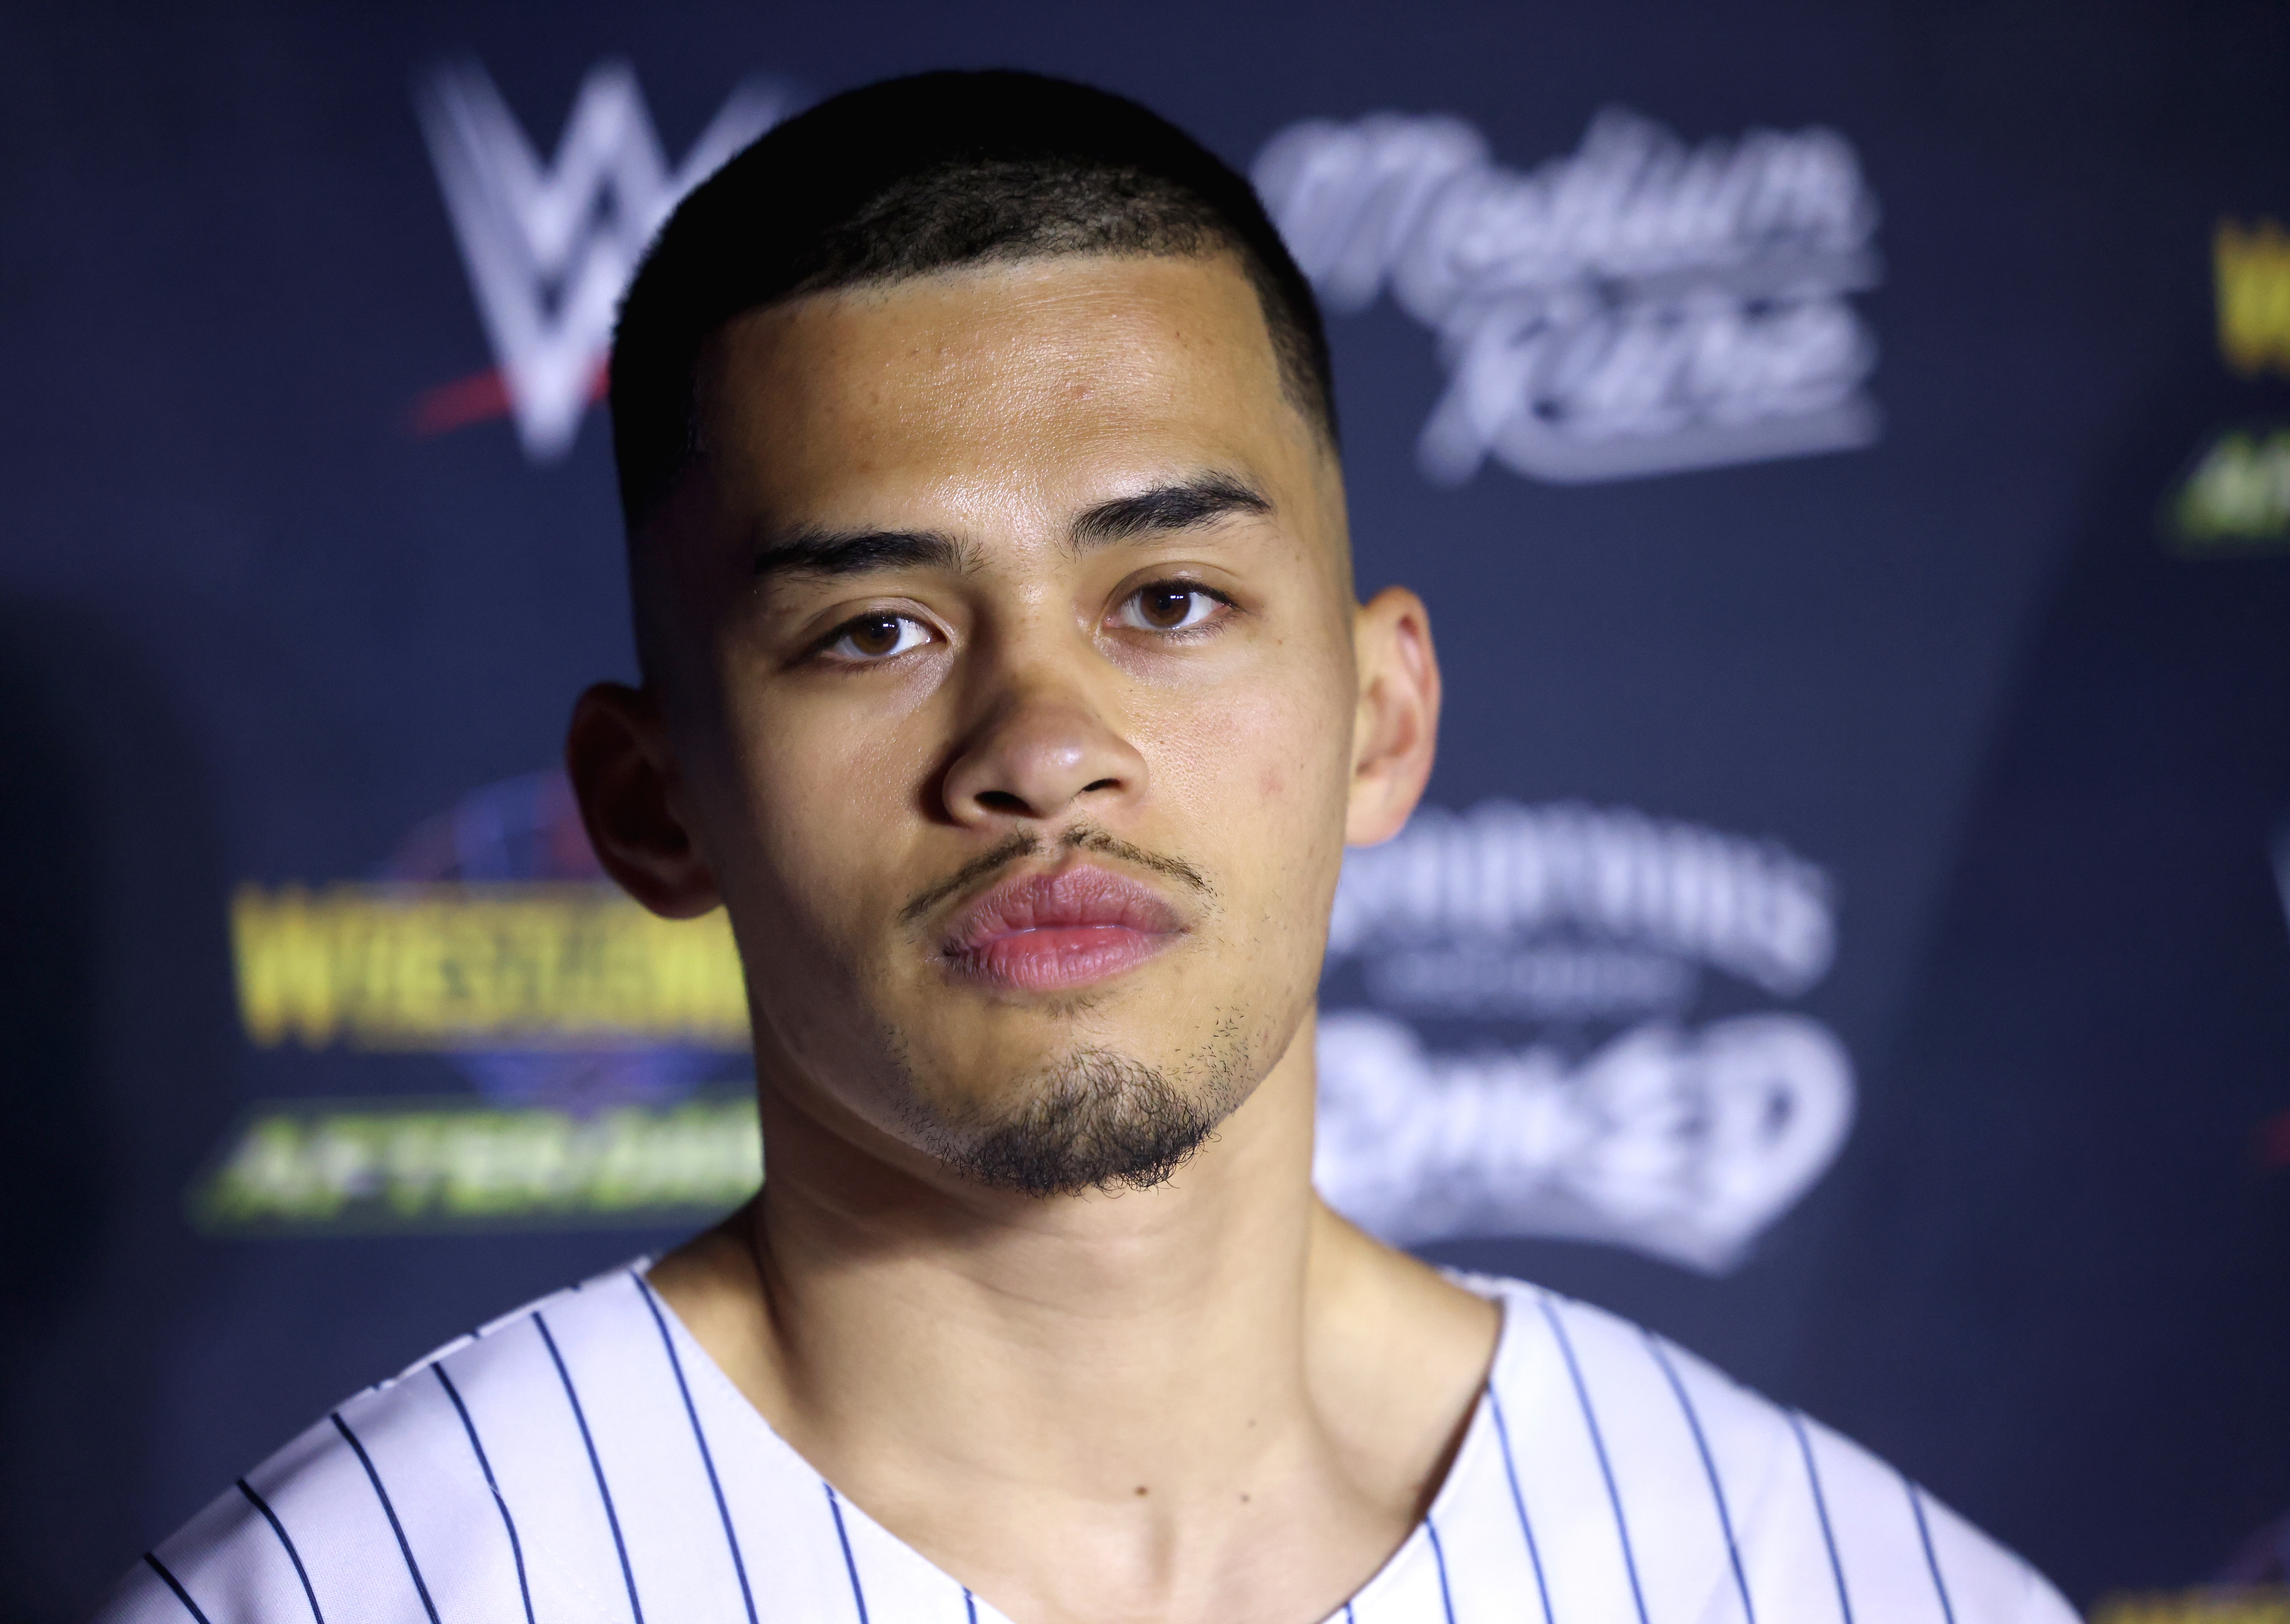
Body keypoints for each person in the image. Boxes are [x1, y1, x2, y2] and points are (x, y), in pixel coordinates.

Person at [99, 70, 2078, 1624]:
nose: (1045, 748)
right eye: (876, 630)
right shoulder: (351, 1587)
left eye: (1172, 600)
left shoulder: (1847, 1581)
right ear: (650, 802)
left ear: (1385, 714)